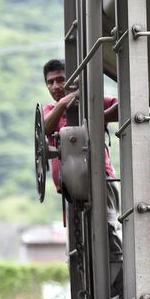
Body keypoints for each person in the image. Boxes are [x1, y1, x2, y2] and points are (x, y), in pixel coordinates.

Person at [41, 59, 123, 267]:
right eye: (50, 82)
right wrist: (62, 104)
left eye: (61, 80)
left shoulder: (92, 101)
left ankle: (119, 278)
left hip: (100, 180)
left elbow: (122, 104)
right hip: (71, 189)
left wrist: (98, 118)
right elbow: (45, 129)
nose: (55, 86)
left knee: (109, 230)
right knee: (81, 246)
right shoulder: (51, 110)